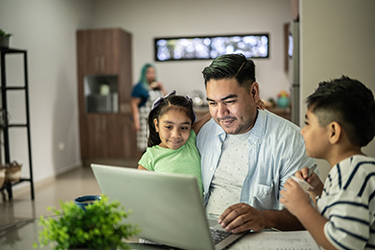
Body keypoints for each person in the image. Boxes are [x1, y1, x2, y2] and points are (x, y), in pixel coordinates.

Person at [197, 53, 316, 233]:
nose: (221, 113)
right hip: (203, 235)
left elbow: (308, 217)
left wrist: (264, 218)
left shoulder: (290, 140)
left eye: (229, 101)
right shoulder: (205, 132)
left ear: (254, 92)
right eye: (213, 103)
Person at [280, 76, 375, 250]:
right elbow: (334, 217)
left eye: (308, 123)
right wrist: (316, 190)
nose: (302, 131)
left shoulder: (353, 174)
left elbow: (341, 244)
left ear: (333, 132)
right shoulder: (349, 170)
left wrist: (302, 208)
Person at [137, 90, 211, 195]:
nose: (176, 134)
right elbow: (141, 191)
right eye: (168, 127)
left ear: (190, 127)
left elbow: (211, 114)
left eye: (184, 127)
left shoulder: (190, 140)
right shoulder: (150, 157)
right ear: (157, 125)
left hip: (195, 210)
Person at [131, 63, 167, 152]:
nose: (151, 75)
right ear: (144, 74)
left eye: (153, 72)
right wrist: (136, 121)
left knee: (157, 145)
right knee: (146, 145)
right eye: (149, 73)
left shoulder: (157, 87)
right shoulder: (139, 87)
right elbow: (134, 105)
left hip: (156, 120)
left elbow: (166, 99)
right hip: (144, 121)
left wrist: (162, 88)